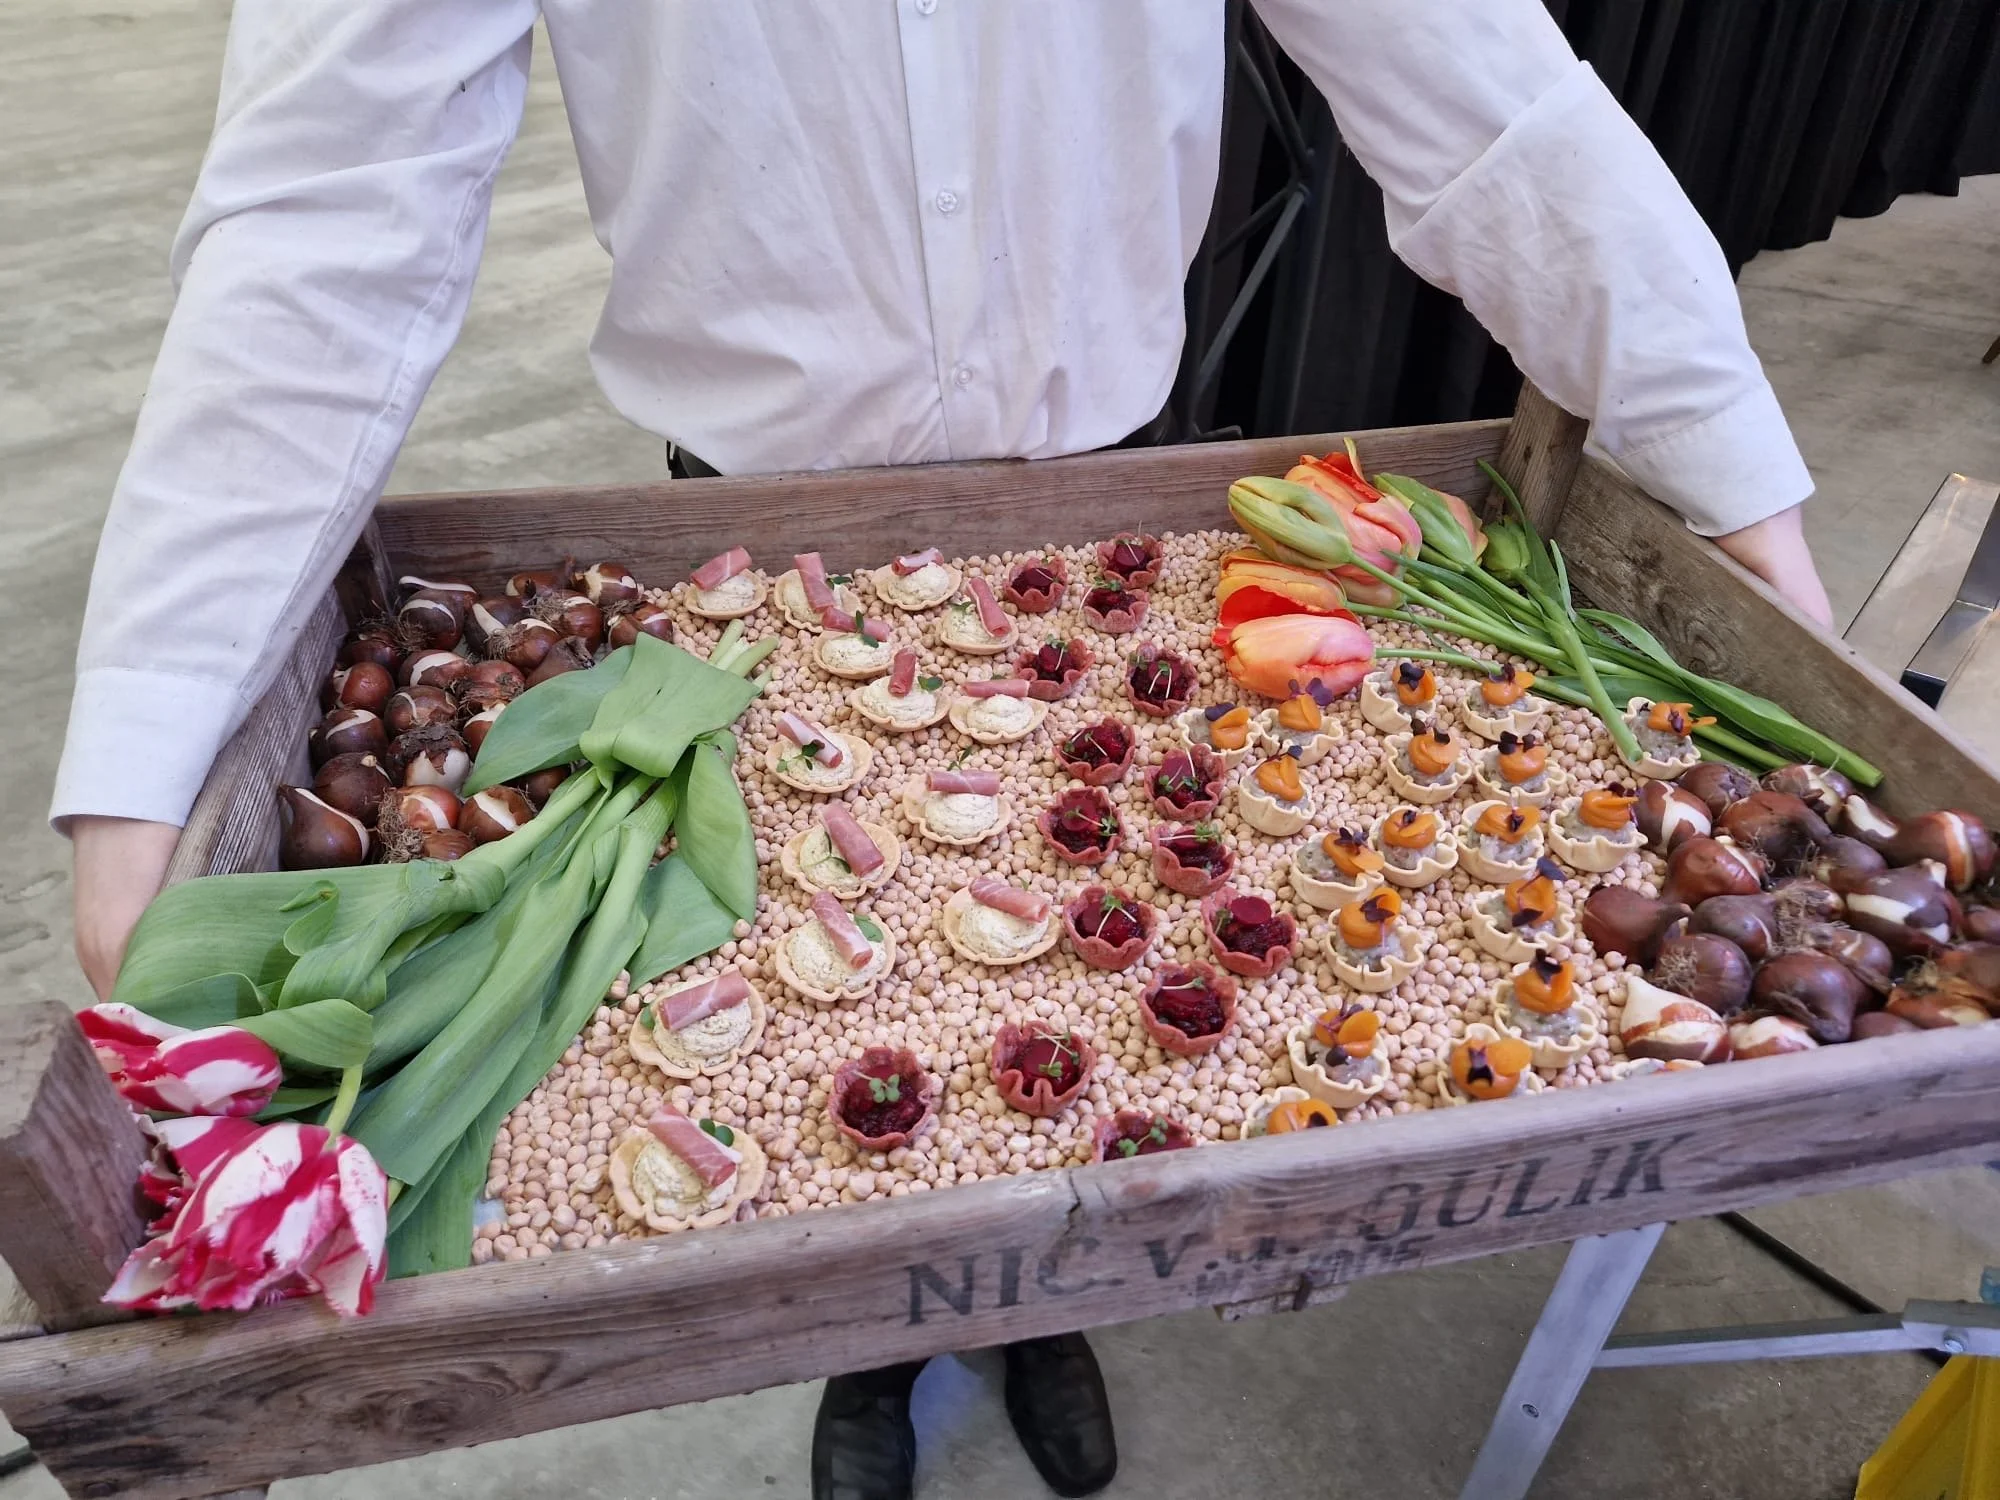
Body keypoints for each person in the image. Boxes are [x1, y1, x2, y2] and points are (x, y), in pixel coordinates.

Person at [56, 3, 1833, 1496]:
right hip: (735, 543)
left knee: (1081, 954)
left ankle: (1040, 1296)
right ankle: (872, 1351)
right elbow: (330, 198)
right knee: (821, 1003)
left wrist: (1716, 443)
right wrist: (154, 726)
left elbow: (1478, 90)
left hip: (1114, 494)